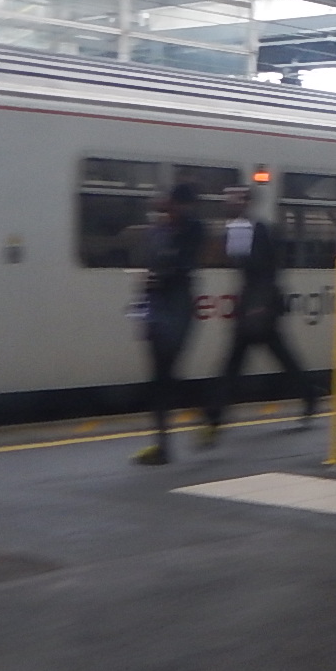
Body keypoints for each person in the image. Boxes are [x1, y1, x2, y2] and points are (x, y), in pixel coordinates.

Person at [205, 184, 319, 437]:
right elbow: (241, 266)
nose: (227, 202)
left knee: (242, 360)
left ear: (246, 202)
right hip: (251, 303)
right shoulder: (239, 229)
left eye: (233, 198)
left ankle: (214, 414)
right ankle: (215, 413)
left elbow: (266, 270)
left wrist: (259, 305)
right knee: (263, 357)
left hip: (259, 305)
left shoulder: (259, 230)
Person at [130, 181, 206, 466]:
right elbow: (150, 263)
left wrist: (160, 276)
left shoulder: (193, 229)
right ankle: (165, 442)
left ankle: (193, 423)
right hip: (157, 308)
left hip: (178, 309)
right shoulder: (157, 231)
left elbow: (183, 265)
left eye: (170, 201)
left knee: (166, 375)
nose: (163, 204)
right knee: (162, 378)